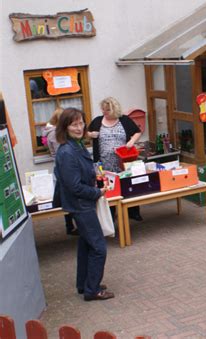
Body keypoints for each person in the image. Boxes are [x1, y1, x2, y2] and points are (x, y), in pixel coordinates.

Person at [54, 108, 114, 301]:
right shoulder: (66, 152)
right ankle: (92, 290)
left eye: (81, 123)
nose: (79, 128)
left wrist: (96, 180)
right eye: (74, 124)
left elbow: (82, 175)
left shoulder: (77, 146)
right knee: (98, 247)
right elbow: (74, 186)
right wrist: (97, 192)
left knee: (86, 245)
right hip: (81, 204)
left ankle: (84, 284)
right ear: (65, 127)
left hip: (83, 202)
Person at [88, 97, 143, 221]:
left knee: (128, 185)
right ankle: (111, 216)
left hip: (123, 161)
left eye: (107, 110)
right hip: (103, 163)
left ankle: (133, 212)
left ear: (114, 110)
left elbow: (137, 132)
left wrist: (132, 141)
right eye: (103, 109)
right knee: (109, 188)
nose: (104, 112)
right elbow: (87, 133)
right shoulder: (97, 121)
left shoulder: (124, 120)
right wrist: (91, 135)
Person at [44, 107, 78, 235]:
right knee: (68, 197)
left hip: (60, 167)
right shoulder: (55, 134)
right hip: (63, 168)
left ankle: (70, 225)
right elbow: (63, 152)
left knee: (67, 197)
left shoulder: (51, 132)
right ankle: (71, 226)